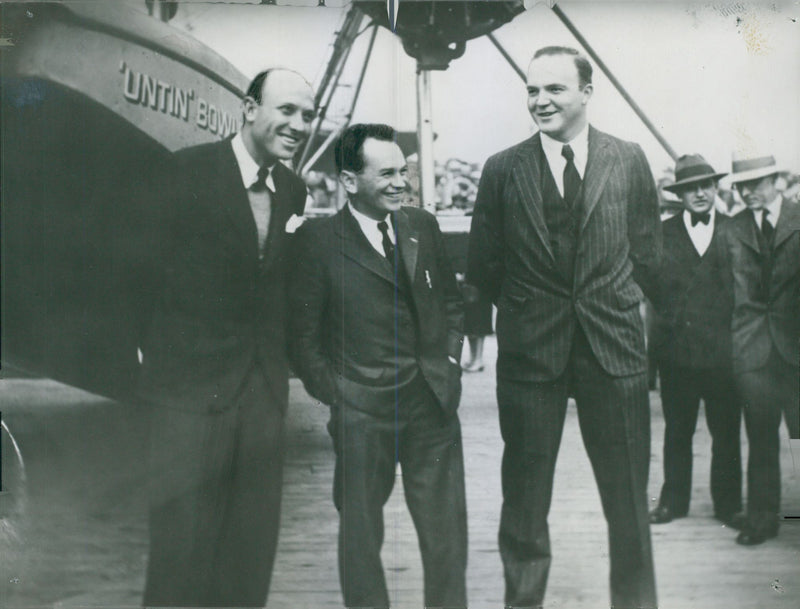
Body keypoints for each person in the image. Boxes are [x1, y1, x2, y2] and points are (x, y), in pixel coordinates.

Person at [467, 46, 661, 609]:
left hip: (614, 350)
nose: (540, 100)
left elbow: (649, 255)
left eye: (553, 89)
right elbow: (484, 265)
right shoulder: (504, 168)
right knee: (524, 503)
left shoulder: (628, 159)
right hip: (532, 356)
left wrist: (624, 308)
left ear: (586, 92)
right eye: (532, 90)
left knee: (627, 502)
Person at [136, 68, 314, 607]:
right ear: (249, 107)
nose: (299, 124)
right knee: (179, 555)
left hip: (261, 398)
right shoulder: (185, 172)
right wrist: (157, 359)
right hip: (187, 398)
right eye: (287, 110)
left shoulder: (292, 189)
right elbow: (137, 272)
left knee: (249, 555)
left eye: (308, 115)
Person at [288, 123, 468, 609]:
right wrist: (338, 392)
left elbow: (452, 302)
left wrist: (449, 361)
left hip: (430, 405)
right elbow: (302, 337)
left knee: (447, 536)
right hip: (361, 413)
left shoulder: (421, 226)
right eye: (386, 173)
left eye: (403, 172)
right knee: (360, 537)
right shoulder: (318, 240)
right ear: (349, 181)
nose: (400, 183)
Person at [648, 154, 742, 527]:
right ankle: (673, 502)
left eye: (705, 186)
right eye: (691, 189)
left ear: (716, 188)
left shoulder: (736, 230)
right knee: (677, 429)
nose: (700, 194)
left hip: (724, 353)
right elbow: (649, 282)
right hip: (678, 353)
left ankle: (729, 505)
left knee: (726, 432)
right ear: (680, 195)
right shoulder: (663, 232)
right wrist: (669, 323)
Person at [723, 152, 800, 545]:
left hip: (797, 353)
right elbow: (721, 292)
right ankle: (761, 519)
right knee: (761, 437)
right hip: (752, 353)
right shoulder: (731, 229)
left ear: (775, 181)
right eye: (741, 185)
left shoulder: (798, 218)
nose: (747, 192)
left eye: (755, 184)